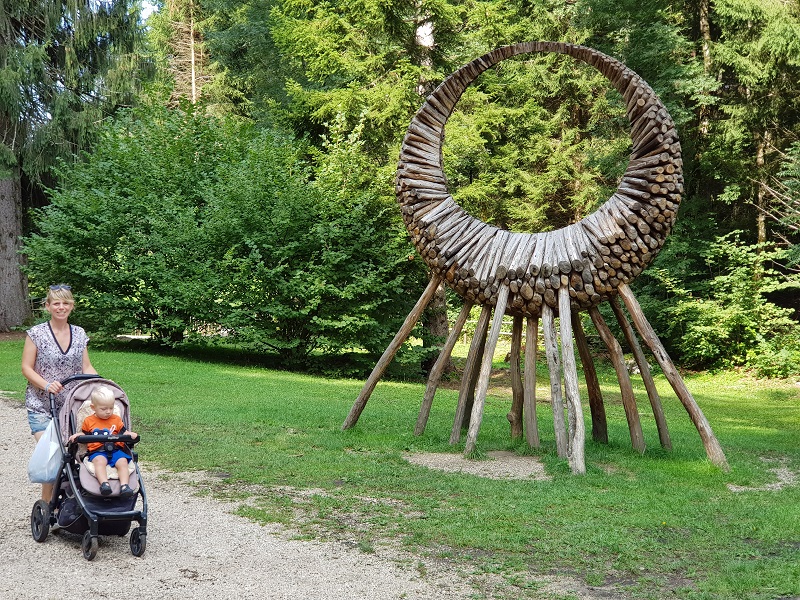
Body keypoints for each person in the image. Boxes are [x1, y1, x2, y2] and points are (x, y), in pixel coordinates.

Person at [22, 284, 97, 500]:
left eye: (66, 303)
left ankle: (75, 502)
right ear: (47, 306)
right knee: (53, 455)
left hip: (71, 406)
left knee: (78, 454)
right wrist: (46, 384)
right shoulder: (36, 334)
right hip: (42, 406)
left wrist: (100, 382)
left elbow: (86, 367)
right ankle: (47, 507)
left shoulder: (79, 333)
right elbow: (26, 367)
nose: (61, 307)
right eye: (56, 303)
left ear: (72, 306)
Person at [69, 385, 138, 497]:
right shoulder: (89, 421)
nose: (108, 412)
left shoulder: (116, 419)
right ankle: (104, 484)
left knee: (123, 462)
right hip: (97, 451)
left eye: (111, 408)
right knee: (100, 462)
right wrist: (77, 436)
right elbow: (85, 434)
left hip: (116, 450)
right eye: (104, 409)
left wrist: (130, 434)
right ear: (93, 407)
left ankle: (124, 486)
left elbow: (123, 432)